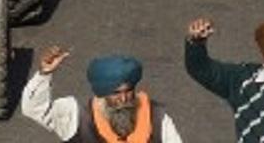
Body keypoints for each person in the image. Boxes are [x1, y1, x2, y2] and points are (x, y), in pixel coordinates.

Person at [21, 46, 184, 142]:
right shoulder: (76, 115)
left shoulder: (156, 117)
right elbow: (34, 109)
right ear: (102, 93)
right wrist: (44, 74)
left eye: (129, 91)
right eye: (116, 93)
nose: (124, 99)